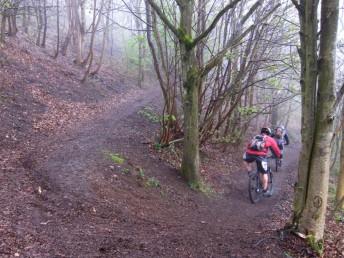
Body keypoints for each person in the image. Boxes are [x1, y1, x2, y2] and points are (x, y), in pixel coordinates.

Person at [243, 127, 282, 194]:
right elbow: (276, 149)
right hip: (260, 156)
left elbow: (249, 145)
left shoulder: (256, 137)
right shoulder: (270, 139)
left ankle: (250, 173)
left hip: (249, 154)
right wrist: (279, 156)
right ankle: (265, 190)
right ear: (269, 133)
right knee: (264, 173)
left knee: (245, 160)